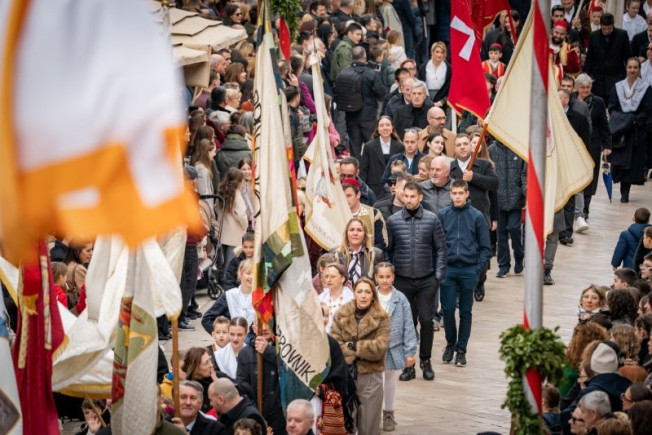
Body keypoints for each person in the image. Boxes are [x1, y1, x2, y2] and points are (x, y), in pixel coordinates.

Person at [386, 181, 447, 380]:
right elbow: (388, 250)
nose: (409, 200)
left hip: (426, 279)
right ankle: (408, 364)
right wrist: (390, 275)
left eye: (413, 196)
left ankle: (426, 360)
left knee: (427, 320)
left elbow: (441, 248)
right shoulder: (393, 221)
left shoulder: (432, 219)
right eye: (406, 196)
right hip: (402, 280)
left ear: (420, 197)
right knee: (407, 323)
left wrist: (438, 276)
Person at [438, 180, 492, 367]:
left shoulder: (476, 216)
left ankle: (461, 350)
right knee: (447, 309)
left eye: (461, 193)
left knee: (466, 311)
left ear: (467, 194)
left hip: (469, 269)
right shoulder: (443, 215)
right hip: (449, 269)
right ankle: (450, 344)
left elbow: (485, 247)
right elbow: (437, 243)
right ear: (450, 194)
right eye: (454, 193)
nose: (457, 196)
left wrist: (477, 269)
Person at [330, 277, 390, 435]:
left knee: (368, 427)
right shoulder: (341, 314)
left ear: (373, 295)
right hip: (346, 377)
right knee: (346, 426)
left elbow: (379, 348)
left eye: (367, 292)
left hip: (371, 378)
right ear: (354, 293)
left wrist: (352, 345)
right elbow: (335, 345)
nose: (363, 295)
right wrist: (362, 348)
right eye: (360, 291)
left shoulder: (382, 317)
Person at [449, 133, 498, 301]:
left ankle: (480, 282)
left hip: (479, 217)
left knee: (481, 255)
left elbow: (494, 183)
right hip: (457, 219)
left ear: (471, 146)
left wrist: (474, 177)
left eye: (465, 144)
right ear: (454, 148)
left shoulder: (483, 165)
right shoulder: (450, 167)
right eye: (459, 145)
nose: (462, 147)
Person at [374, 262, 417, 431]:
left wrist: (410, 351)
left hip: (393, 347)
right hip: (374, 347)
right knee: (376, 382)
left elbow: (409, 325)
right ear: (376, 277)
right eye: (381, 276)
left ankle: (388, 413)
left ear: (393, 277)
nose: (384, 280)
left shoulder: (400, 299)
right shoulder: (371, 296)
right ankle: (373, 415)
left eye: (388, 276)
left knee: (390, 379)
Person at [608, 57, 652, 203]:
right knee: (620, 162)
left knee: (632, 162)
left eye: (635, 67)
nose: (632, 70)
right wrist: (621, 120)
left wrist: (634, 120)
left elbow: (647, 109)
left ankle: (625, 192)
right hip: (621, 130)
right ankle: (622, 190)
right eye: (630, 67)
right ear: (626, 68)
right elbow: (612, 106)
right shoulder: (618, 87)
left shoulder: (645, 88)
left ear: (639, 70)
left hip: (636, 130)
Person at [235, 319, 286, 435]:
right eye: (259, 324)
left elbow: (290, 369)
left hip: (281, 418)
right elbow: (242, 388)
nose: (263, 328)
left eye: (267, 323)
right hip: (256, 418)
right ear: (253, 328)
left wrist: (268, 351)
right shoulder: (245, 353)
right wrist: (256, 415)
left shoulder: (285, 350)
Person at [574, 73, 612, 219]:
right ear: (577, 88)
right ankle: (574, 207)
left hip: (593, 144)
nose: (585, 90)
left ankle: (585, 209)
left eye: (588, 87)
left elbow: (604, 125)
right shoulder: (571, 100)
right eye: (582, 87)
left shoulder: (598, 102)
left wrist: (607, 145)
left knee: (591, 175)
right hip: (575, 143)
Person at [339, 46, 386, 159]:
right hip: (368, 116)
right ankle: (373, 169)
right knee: (373, 148)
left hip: (351, 115)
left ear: (352, 57)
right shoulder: (371, 73)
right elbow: (381, 93)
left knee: (355, 150)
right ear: (364, 57)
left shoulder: (344, 73)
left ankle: (355, 169)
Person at [488, 139, 526, 278]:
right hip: (498, 200)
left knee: (514, 228)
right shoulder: (491, 150)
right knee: (501, 233)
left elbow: (523, 175)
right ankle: (503, 265)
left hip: (516, 200)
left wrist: (523, 194)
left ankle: (519, 255)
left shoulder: (518, 149)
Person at [584, 13, 633, 104]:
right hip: (598, 79)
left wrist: (628, 75)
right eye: (604, 28)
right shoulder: (594, 36)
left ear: (613, 25)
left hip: (617, 77)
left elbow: (628, 57)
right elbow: (589, 58)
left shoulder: (622, 35)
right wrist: (586, 76)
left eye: (609, 28)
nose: (606, 31)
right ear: (600, 26)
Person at [202, 260, 255, 334]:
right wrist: (222, 334)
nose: (252, 277)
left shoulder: (260, 298)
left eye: (255, 274)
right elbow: (206, 319)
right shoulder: (229, 296)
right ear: (240, 273)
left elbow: (266, 322)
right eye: (248, 273)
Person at [359, 116, 404, 199]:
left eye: (388, 125)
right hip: (374, 188)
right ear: (378, 129)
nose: (385, 128)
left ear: (392, 128)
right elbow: (363, 170)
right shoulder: (369, 146)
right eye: (381, 125)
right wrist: (363, 189)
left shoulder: (400, 146)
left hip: (394, 188)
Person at [341, 178, 388, 251]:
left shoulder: (373, 214)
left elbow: (381, 244)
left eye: (349, 195)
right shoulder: (336, 215)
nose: (345, 199)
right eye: (342, 196)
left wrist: (364, 254)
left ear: (358, 195)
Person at [333, 217, 383, 283]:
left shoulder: (376, 254)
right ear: (346, 233)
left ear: (365, 234)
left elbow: (379, 281)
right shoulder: (335, 253)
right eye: (352, 230)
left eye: (359, 230)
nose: (355, 233)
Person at [218, 168, 248, 267]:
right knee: (231, 264)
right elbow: (241, 215)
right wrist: (245, 226)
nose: (242, 183)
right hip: (235, 235)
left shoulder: (221, 192)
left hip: (223, 234)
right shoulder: (236, 195)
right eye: (242, 181)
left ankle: (223, 277)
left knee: (224, 263)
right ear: (238, 182)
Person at [318, 263, 354, 332]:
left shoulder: (351, 299)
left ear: (342, 278)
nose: (328, 280)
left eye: (333, 277)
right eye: (326, 276)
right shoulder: (320, 298)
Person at [182, 348, 220, 413]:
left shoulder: (218, 376)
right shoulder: (189, 388)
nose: (211, 365)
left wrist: (218, 383)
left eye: (210, 360)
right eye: (206, 363)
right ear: (195, 369)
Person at [417, 41, 451, 106]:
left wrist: (443, 101)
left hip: (442, 99)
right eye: (437, 52)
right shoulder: (423, 67)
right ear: (432, 52)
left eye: (442, 52)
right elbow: (419, 84)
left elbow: (450, 87)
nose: (439, 55)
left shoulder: (449, 68)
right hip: (426, 97)